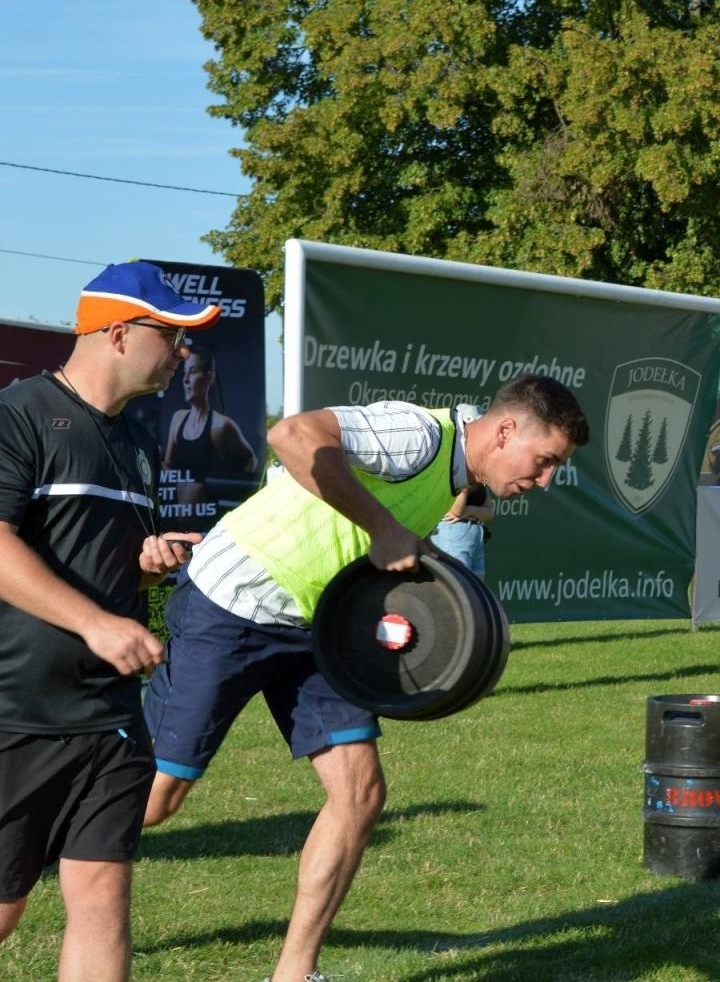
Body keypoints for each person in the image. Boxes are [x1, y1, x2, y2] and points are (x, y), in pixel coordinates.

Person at [141, 375, 589, 982]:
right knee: (154, 800)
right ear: (506, 430)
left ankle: (295, 974)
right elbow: (293, 435)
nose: (545, 480)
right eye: (545, 461)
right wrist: (381, 527)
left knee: (359, 795)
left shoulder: (456, 480)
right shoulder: (419, 436)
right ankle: (30, 841)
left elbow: (391, 544)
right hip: (232, 603)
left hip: (315, 627)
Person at [0, 262, 217, 980]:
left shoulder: (138, 442)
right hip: (16, 711)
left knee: (102, 899)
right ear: (119, 333)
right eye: (172, 335)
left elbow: (99, 559)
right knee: (4, 909)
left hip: (110, 714)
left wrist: (148, 562)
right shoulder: (18, 415)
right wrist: (96, 623)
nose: (183, 352)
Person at [162, 344, 258, 508]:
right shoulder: (178, 419)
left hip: (208, 517)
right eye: (184, 372)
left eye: (192, 372)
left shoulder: (220, 426)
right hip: (177, 515)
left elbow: (251, 460)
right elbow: (168, 467)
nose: (185, 379)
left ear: (209, 377)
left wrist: (228, 495)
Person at [430, 483, 495, 578]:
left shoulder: (480, 481)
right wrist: (464, 487)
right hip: (453, 532)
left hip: (475, 536)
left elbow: (489, 514)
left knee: (474, 585)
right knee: (457, 580)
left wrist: (470, 510)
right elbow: (456, 512)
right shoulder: (455, 476)